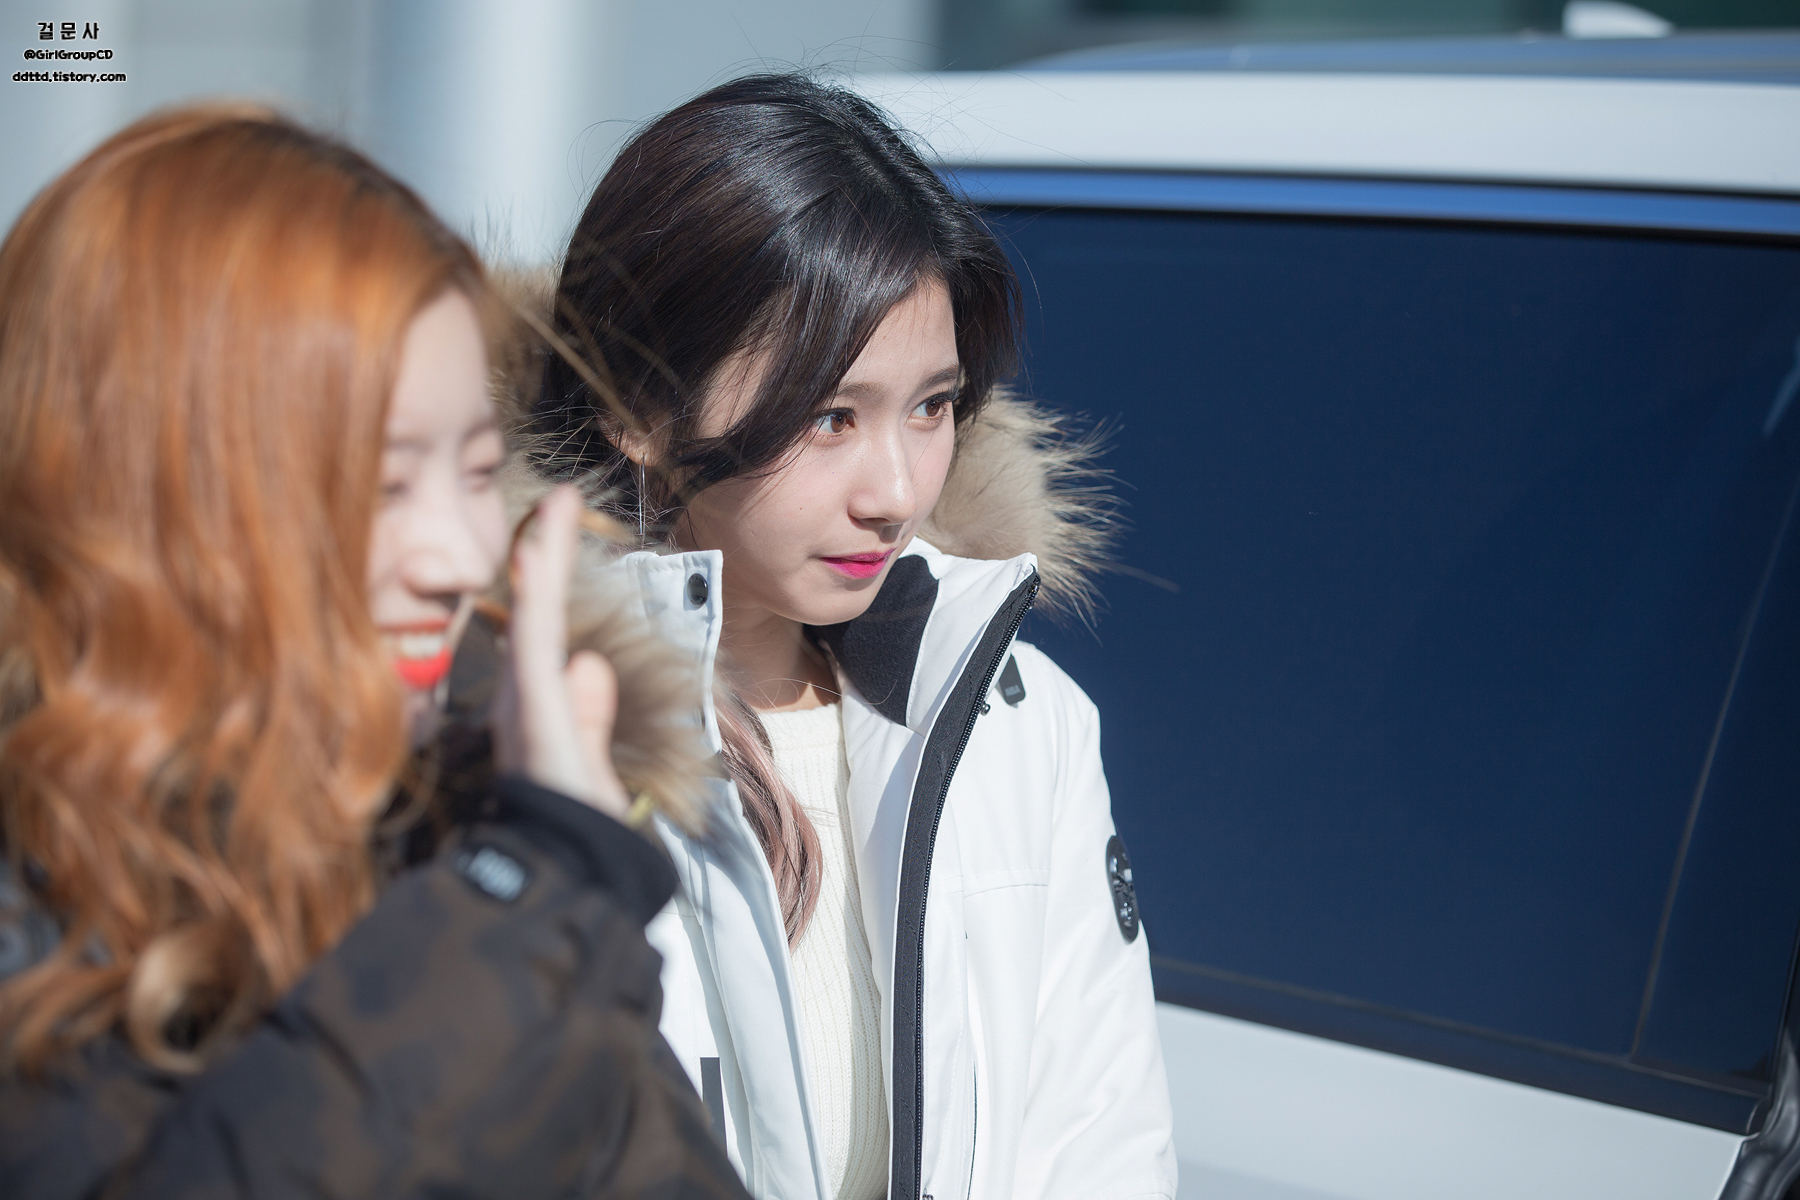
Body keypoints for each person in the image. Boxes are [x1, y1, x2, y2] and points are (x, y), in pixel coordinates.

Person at [0, 106, 749, 1200]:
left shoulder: (457, 801)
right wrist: (527, 893)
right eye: (380, 486)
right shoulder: (42, 870)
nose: (460, 555)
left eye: (478, 471)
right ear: (145, 500)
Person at [530, 74, 1178, 1200]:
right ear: (639, 409)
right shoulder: (522, 739)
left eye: (932, 406)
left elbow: (1102, 1151)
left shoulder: (1022, 728)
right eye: (829, 416)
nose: (896, 491)